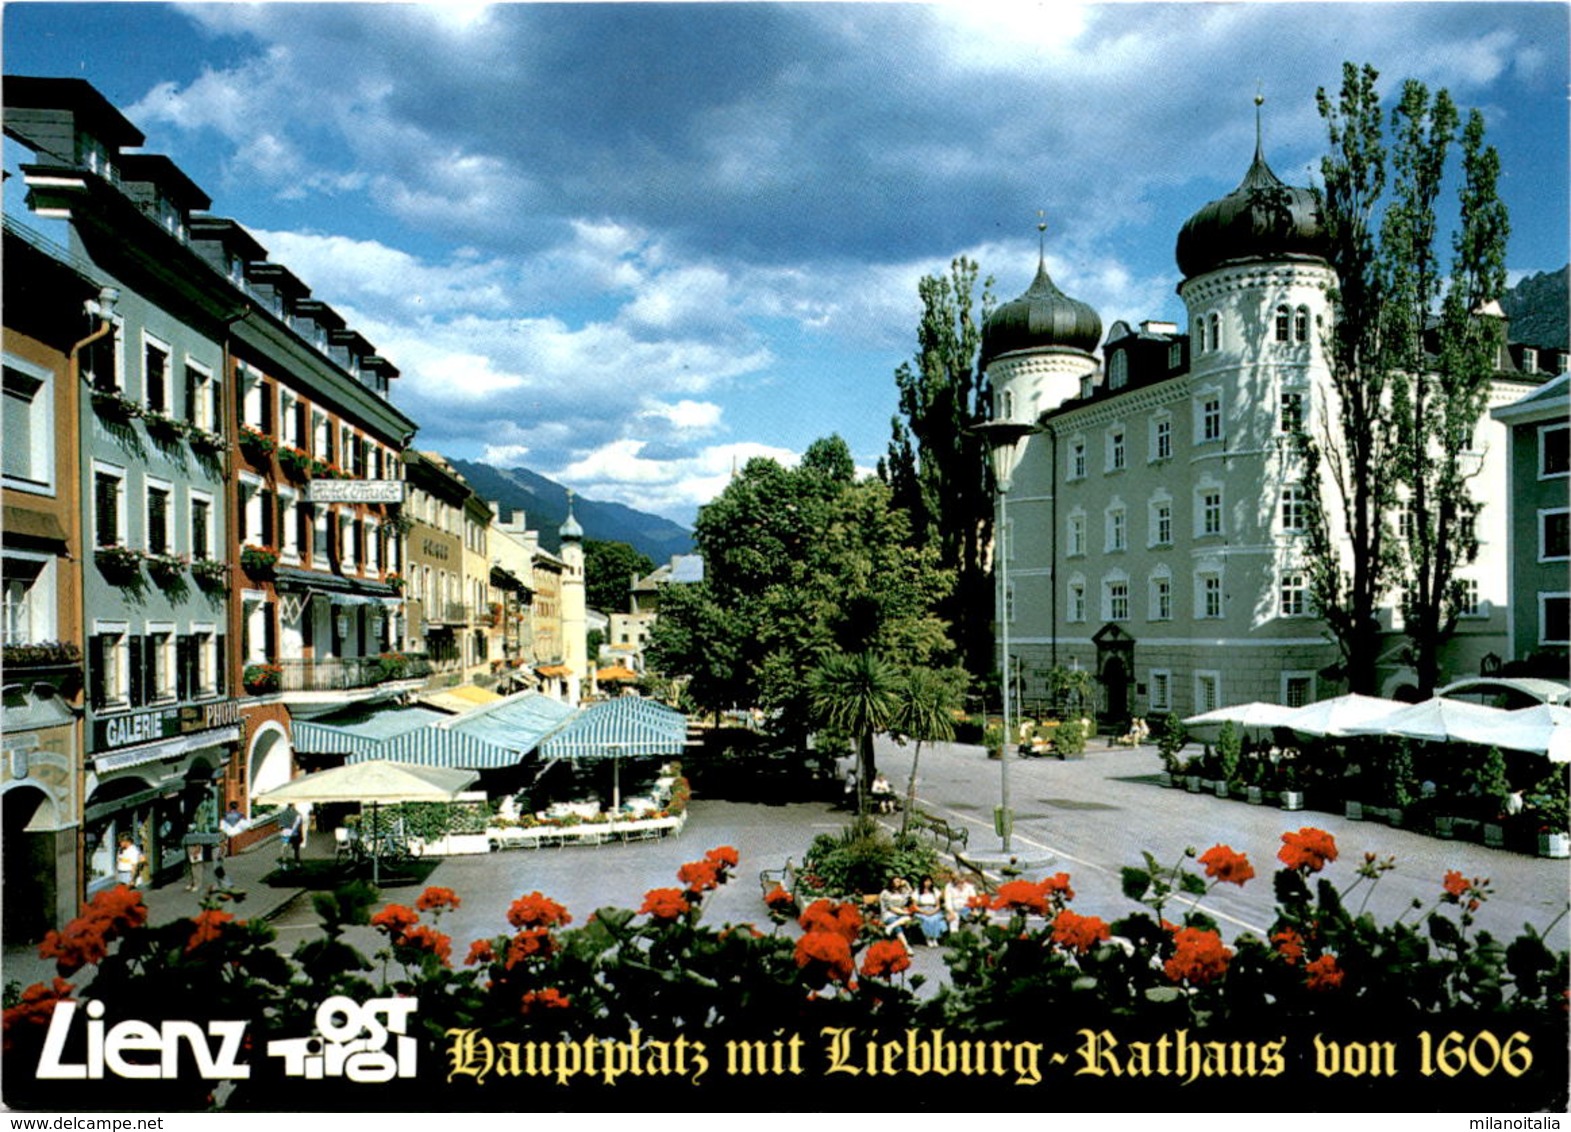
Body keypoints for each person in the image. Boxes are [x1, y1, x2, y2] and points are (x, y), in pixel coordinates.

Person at [878, 875, 915, 951]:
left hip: (899, 913)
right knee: (897, 926)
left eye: (899, 881)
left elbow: (911, 893)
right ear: (891, 883)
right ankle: (906, 946)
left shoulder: (901, 891)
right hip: (888, 914)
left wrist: (907, 884)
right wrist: (904, 913)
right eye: (896, 881)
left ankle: (890, 927)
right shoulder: (886, 893)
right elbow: (890, 908)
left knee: (908, 919)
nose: (898, 883)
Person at [912, 876, 946, 947]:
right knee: (926, 919)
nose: (928, 883)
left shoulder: (934, 891)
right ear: (922, 882)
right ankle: (928, 938)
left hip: (933, 909)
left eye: (929, 881)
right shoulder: (917, 891)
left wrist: (932, 912)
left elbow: (938, 905)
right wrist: (924, 911)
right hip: (922, 910)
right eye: (926, 881)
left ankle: (934, 938)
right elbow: (914, 906)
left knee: (935, 919)